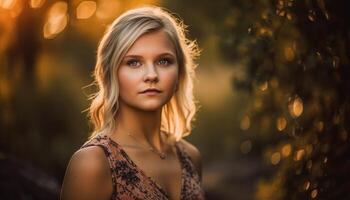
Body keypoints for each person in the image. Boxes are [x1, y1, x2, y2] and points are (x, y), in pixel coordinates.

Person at [60, 5, 204, 200]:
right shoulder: (93, 163)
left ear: (179, 74)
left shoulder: (190, 157)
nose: (151, 75)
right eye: (134, 62)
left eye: (164, 61)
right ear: (111, 74)